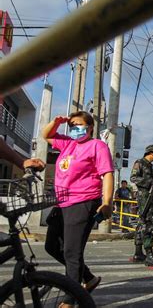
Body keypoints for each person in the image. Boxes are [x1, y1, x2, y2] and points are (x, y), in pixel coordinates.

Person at [42, 111, 114, 307]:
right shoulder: (68, 144)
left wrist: (107, 202)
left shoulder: (97, 146)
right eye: (71, 126)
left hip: (83, 201)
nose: (74, 129)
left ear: (90, 127)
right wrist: (57, 122)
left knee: (72, 253)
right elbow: (46, 135)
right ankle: (88, 278)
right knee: (52, 246)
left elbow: (107, 174)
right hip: (62, 202)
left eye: (79, 125)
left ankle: (70, 299)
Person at [130, 144, 153, 267]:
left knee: (141, 225)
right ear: (151, 153)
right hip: (144, 198)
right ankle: (149, 254)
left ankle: (138, 253)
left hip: (151, 198)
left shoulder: (150, 166)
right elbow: (133, 178)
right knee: (147, 225)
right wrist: (150, 182)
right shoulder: (140, 163)